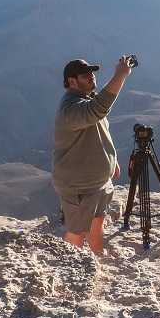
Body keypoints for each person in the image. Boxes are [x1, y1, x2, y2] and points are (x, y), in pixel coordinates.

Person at [52, 56, 132, 254]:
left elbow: (100, 132)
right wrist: (119, 76)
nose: (91, 76)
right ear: (72, 81)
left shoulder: (86, 100)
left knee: (97, 224)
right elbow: (98, 108)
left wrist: (112, 160)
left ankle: (97, 260)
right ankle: (70, 266)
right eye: (85, 74)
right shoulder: (70, 109)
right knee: (77, 232)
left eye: (92, 72)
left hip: (98, 183)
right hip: (79, 186)